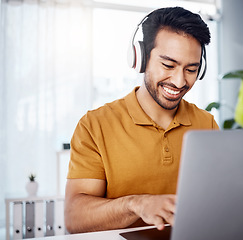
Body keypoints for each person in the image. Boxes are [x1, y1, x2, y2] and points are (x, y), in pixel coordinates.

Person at [64, 7, 219, 234]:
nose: (179, 81)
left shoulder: (207, 124)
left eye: (191, 69)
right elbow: (74, 218)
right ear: (140, 58)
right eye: (168, 65)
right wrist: (136, 204)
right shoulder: (95, 125)